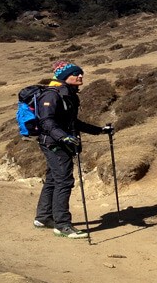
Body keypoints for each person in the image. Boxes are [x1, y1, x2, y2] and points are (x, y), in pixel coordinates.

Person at [32, 60, 114, 239]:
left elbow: (73, 123)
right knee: (64, 181)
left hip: (60, 141)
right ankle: (62, 225)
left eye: (81, 73)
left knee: (54, 179)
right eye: (76, 74)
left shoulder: (68, 94)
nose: (80, 76)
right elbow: (47, 122)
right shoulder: (52, 95)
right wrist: (63, 137)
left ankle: (44, 217)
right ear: (63, 77)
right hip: (54, 143)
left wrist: (99, 131)